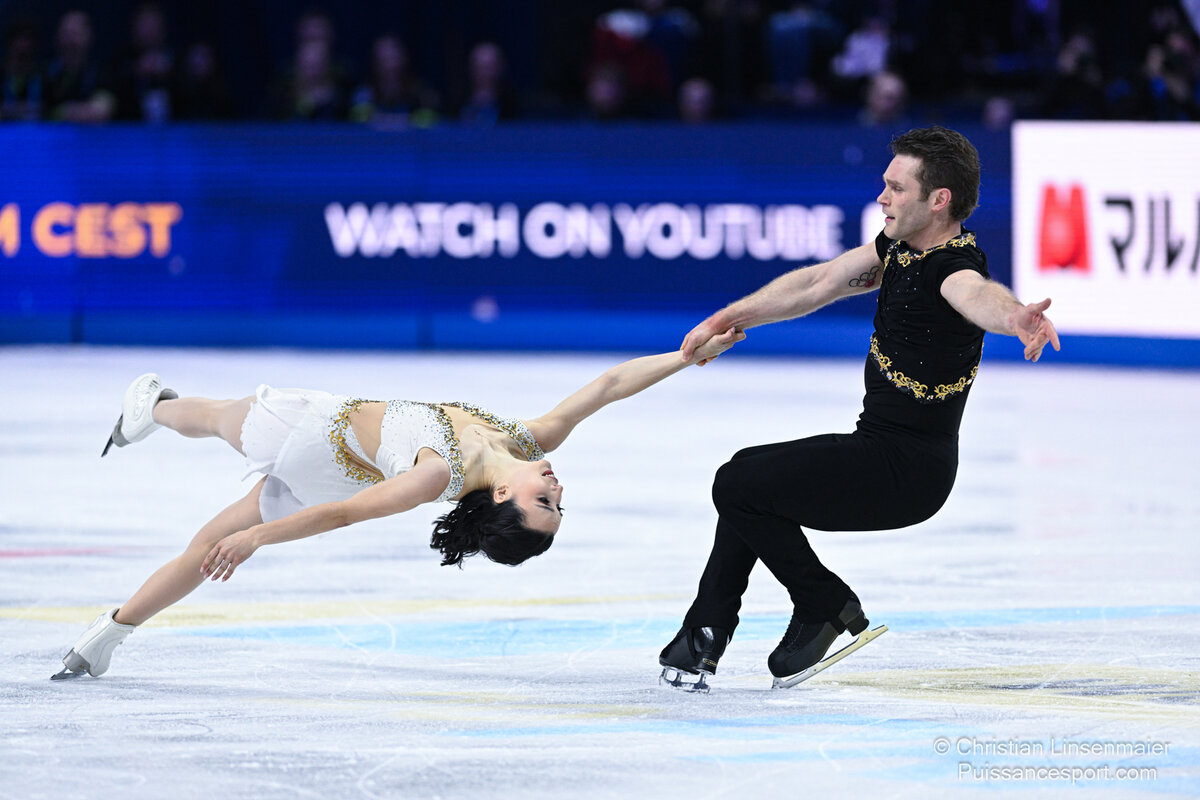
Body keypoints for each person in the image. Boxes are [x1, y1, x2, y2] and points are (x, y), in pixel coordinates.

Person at [53, 333, 743, 680]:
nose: (557, 489)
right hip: (332, 474)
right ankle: (105, 638)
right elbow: (612, 385)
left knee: (207, 416)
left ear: (504, 496)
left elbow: (345, 517)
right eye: (559, 503)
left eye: (546, 502)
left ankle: (151, 407)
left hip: (307, 433)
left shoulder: (435, 473)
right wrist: (687, 356)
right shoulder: (529, 439)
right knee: (205, 545)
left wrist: (260, 538)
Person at [658, 126, 1060, 691]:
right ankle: (704, 634)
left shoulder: (951, 269)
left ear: (938, 200)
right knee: (747, 480)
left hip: (907, 471)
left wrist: (1015, 317)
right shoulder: (897, 249)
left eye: (897, 188)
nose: (882, 197)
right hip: (878, 451)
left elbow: (978, 295)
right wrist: (726, 320)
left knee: (739, 483)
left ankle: (821, 602)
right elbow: (817, 283)